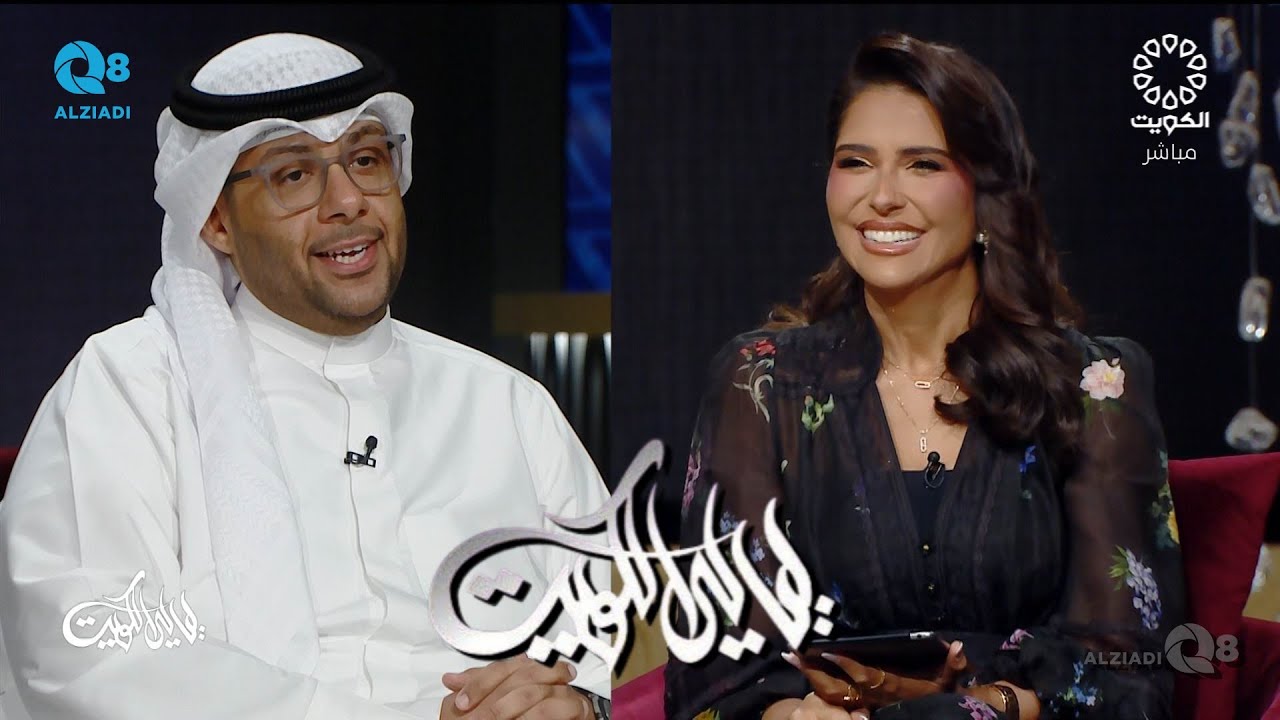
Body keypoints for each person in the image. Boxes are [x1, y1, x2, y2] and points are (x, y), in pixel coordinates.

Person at [0, 33, 611, 720]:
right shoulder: (129, 389)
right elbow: (96, 656)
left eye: (366, 160)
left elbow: (612, 632)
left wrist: (576, 703)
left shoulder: (507, 404)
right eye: (293, 175)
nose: (347, 202)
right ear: (216, 221)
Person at [665, 32, 1185, 720]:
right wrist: (793, 715)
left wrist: (979, 706)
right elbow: (716, 666)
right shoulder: (760, 384)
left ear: (986, 190)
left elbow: (1131, 670)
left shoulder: (1092, 386)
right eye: (856, 162)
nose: (881, 197)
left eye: (923, 165)